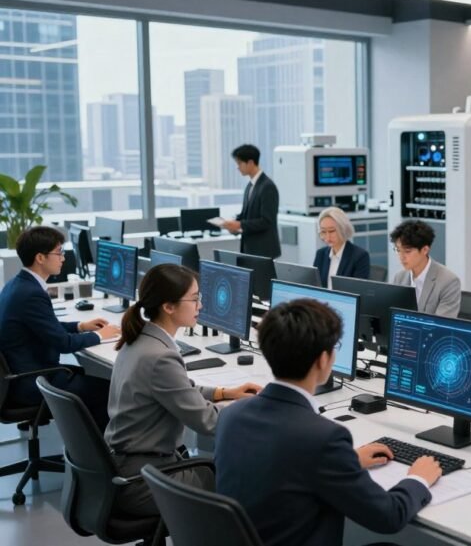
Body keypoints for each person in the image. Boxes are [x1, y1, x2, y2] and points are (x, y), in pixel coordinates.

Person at [215, 299, 441, 546]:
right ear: (323, 360)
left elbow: (281, 465)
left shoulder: (231, 415)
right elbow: (389, 517)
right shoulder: (323, 439)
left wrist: (346, 461)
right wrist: (418, 479)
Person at [105, 263, 261, 516]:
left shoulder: (140, 339)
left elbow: (181, 390)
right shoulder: (160, 357)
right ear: (168, 307)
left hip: (129, 466)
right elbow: (208, 422)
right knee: (245, 482)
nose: (201, 305)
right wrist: (256, 412)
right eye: (195, 299)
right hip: (143, 480)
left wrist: (225, 393)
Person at [0, 226, 119, 427]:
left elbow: (45, 326)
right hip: (32, 383)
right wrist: (101, 335)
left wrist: (80, 326)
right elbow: (64, 344)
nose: (63, 258)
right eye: (59, 253)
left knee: (87, 377)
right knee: (111, 391)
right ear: (40, 258)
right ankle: (101, 447)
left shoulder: (16, 284)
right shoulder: (31, 294)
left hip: (19, 376)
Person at [390, 220, 461, 318]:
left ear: (425, 250)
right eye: (398, 250)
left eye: (407, 251)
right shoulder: (399, 277)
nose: (401, 257)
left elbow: (441, 323)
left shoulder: (448, 282)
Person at [221, 144, 281, 259]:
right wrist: (233, 225)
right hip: (250, 249)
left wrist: (240, 224)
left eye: (239, 163)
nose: (238, 167)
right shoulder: (250, 185)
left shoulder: (267, 186)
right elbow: (247, 215)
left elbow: (266, 221)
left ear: (250, 162)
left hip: (263, 251)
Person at [313, 206, 370, 287]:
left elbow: (358, 290)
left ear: (343, 229)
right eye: (323, 232)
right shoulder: (320, 254)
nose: (327, 237)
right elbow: (315, 285)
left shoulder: (360, 256)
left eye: (332, 231)